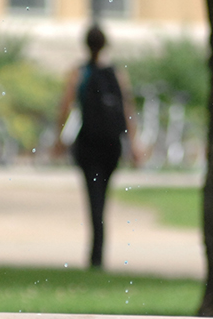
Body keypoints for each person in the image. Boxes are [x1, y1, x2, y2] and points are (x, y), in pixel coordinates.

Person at [53, 24, 141, 269]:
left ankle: (96, 255)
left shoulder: (79, 73)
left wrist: (58, 139)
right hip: (111, 144)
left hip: (88, 144)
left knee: (94, 198)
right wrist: (133, 144)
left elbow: (65, 106)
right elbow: (127, 109)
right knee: (102, 196)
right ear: (105, 45)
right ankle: (98, 251)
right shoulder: (117, 74)